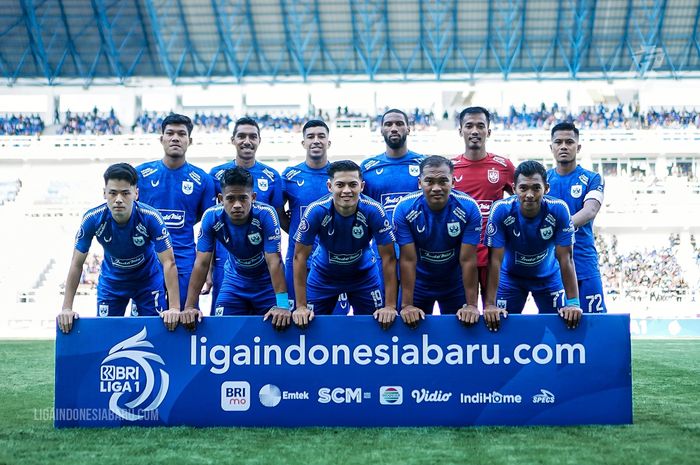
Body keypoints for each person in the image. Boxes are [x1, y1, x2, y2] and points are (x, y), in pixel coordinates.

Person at [57, 163, 180, 334]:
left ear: (136, 193)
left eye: (125, 193)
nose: (119, 199)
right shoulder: (92, 219)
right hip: (112, 283)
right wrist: (66, 308)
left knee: (156, 334)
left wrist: (174, 308)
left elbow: (169, 262)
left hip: (147, 281)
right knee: (106, 336)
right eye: (113, 193)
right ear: (104, 193)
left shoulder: (151, 218)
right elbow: (77, 264)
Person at [292, 160, 398, 329]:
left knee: (377, 327)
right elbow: (299, 257)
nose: (346, 191)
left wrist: (391, 306)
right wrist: (300, 307)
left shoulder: (374, 210)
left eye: (353, 185)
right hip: (323, 276)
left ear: (362, 186)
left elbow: (389, 257)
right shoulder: (316, 210)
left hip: (364, 277)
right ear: (329, 186)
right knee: (308, 326)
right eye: (340, 185)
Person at [182, 167, 289, 330]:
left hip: (266, 284)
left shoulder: (266, 214)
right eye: (230, 198)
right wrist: (190, 306)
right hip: (234, 281)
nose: (237, 205)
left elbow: (274, 262)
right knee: (221, 330)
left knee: (279, 328)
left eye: (243, 198)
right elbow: (202, 263)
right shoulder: (211, 217)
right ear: (220, 198)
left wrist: (282, 305)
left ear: (253, 197)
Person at [484, 160, 582, 331]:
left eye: (536, 188)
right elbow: (494, 261)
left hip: (549, 278)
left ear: (546, 188)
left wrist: (573, 303)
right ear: (514, 189)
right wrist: (490, 304)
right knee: (500, 331)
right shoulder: (501, 210)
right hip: (510, 279)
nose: (529, 194)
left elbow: (566, 259)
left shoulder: (559, 209)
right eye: (523, 188)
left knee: (563, 330)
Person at [135, 114, 215, 309]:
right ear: (161, 138)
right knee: (146, 322)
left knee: (184, 319)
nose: (175, 138)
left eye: (181, 134)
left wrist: (209, 271)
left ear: (190, 140)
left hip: (184, 262)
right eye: (169, 133)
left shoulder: (202, 180)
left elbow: (208, 225)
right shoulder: (140, 175)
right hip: (147, 260)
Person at [393, 156, 482, 328]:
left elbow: (468, 260)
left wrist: (472, 305)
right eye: (429, 181)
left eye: (443, 181)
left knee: (461, 337)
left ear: (453, 182)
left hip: (454, 284)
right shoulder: (404, 208)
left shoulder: (469, 207)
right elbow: (408, 260)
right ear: (420, 183)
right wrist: (407, 305)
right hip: (418, 283)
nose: (436, 188)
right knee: (410, 337)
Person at [208, 117, 284, 309]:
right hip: (226, 260)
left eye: (252, 136)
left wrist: (283, 304)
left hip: (263, 263)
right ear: (233, 140)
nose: (247, 141)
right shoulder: (216, 174)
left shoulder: (272, 176)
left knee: (274, 322)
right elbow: (209, 226)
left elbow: (277, 222)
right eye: (241, 136)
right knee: (225, 318)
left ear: (259, 140)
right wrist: (209, 269)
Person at [279, 120, 348, 311]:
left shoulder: (341, 176)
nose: (316, 141)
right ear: (303, 143)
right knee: (291, 314)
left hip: (335, 262)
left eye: (321, 136)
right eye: (310, 137)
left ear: (329, 142)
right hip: (297, 260)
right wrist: (298, 231)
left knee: (336, 321)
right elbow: (278, 213)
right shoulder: (290, 175)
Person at [452, 106, 515, 303]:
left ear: (488, 131)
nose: (475, 131)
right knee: (464, 315)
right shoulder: (450, 168)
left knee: (494, 315)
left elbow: (520, 202)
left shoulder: (504, 166)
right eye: (469, 126)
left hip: (493, 254)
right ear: (460, 130)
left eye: (480, 126)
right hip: (460, 254)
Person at [360, 109, 424, 300]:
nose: (394, 128)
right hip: (381, 253)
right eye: (388, 124)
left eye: (399, 123)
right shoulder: (368, 167)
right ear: (381, 130)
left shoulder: (424, 164)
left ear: (409, 128)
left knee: (413, 309)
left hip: (418, 252)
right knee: (383, 312)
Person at [546, 122, 607, 313]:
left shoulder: (592, 178)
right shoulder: (542, 181)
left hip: (583, 261)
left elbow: (589, 211)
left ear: (578, 147)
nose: (564, 146)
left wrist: (559, 229)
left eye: (569, 142)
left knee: (595, 324)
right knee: (553, 326)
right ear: (552, 147)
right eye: (558, 142)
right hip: (550, 265)